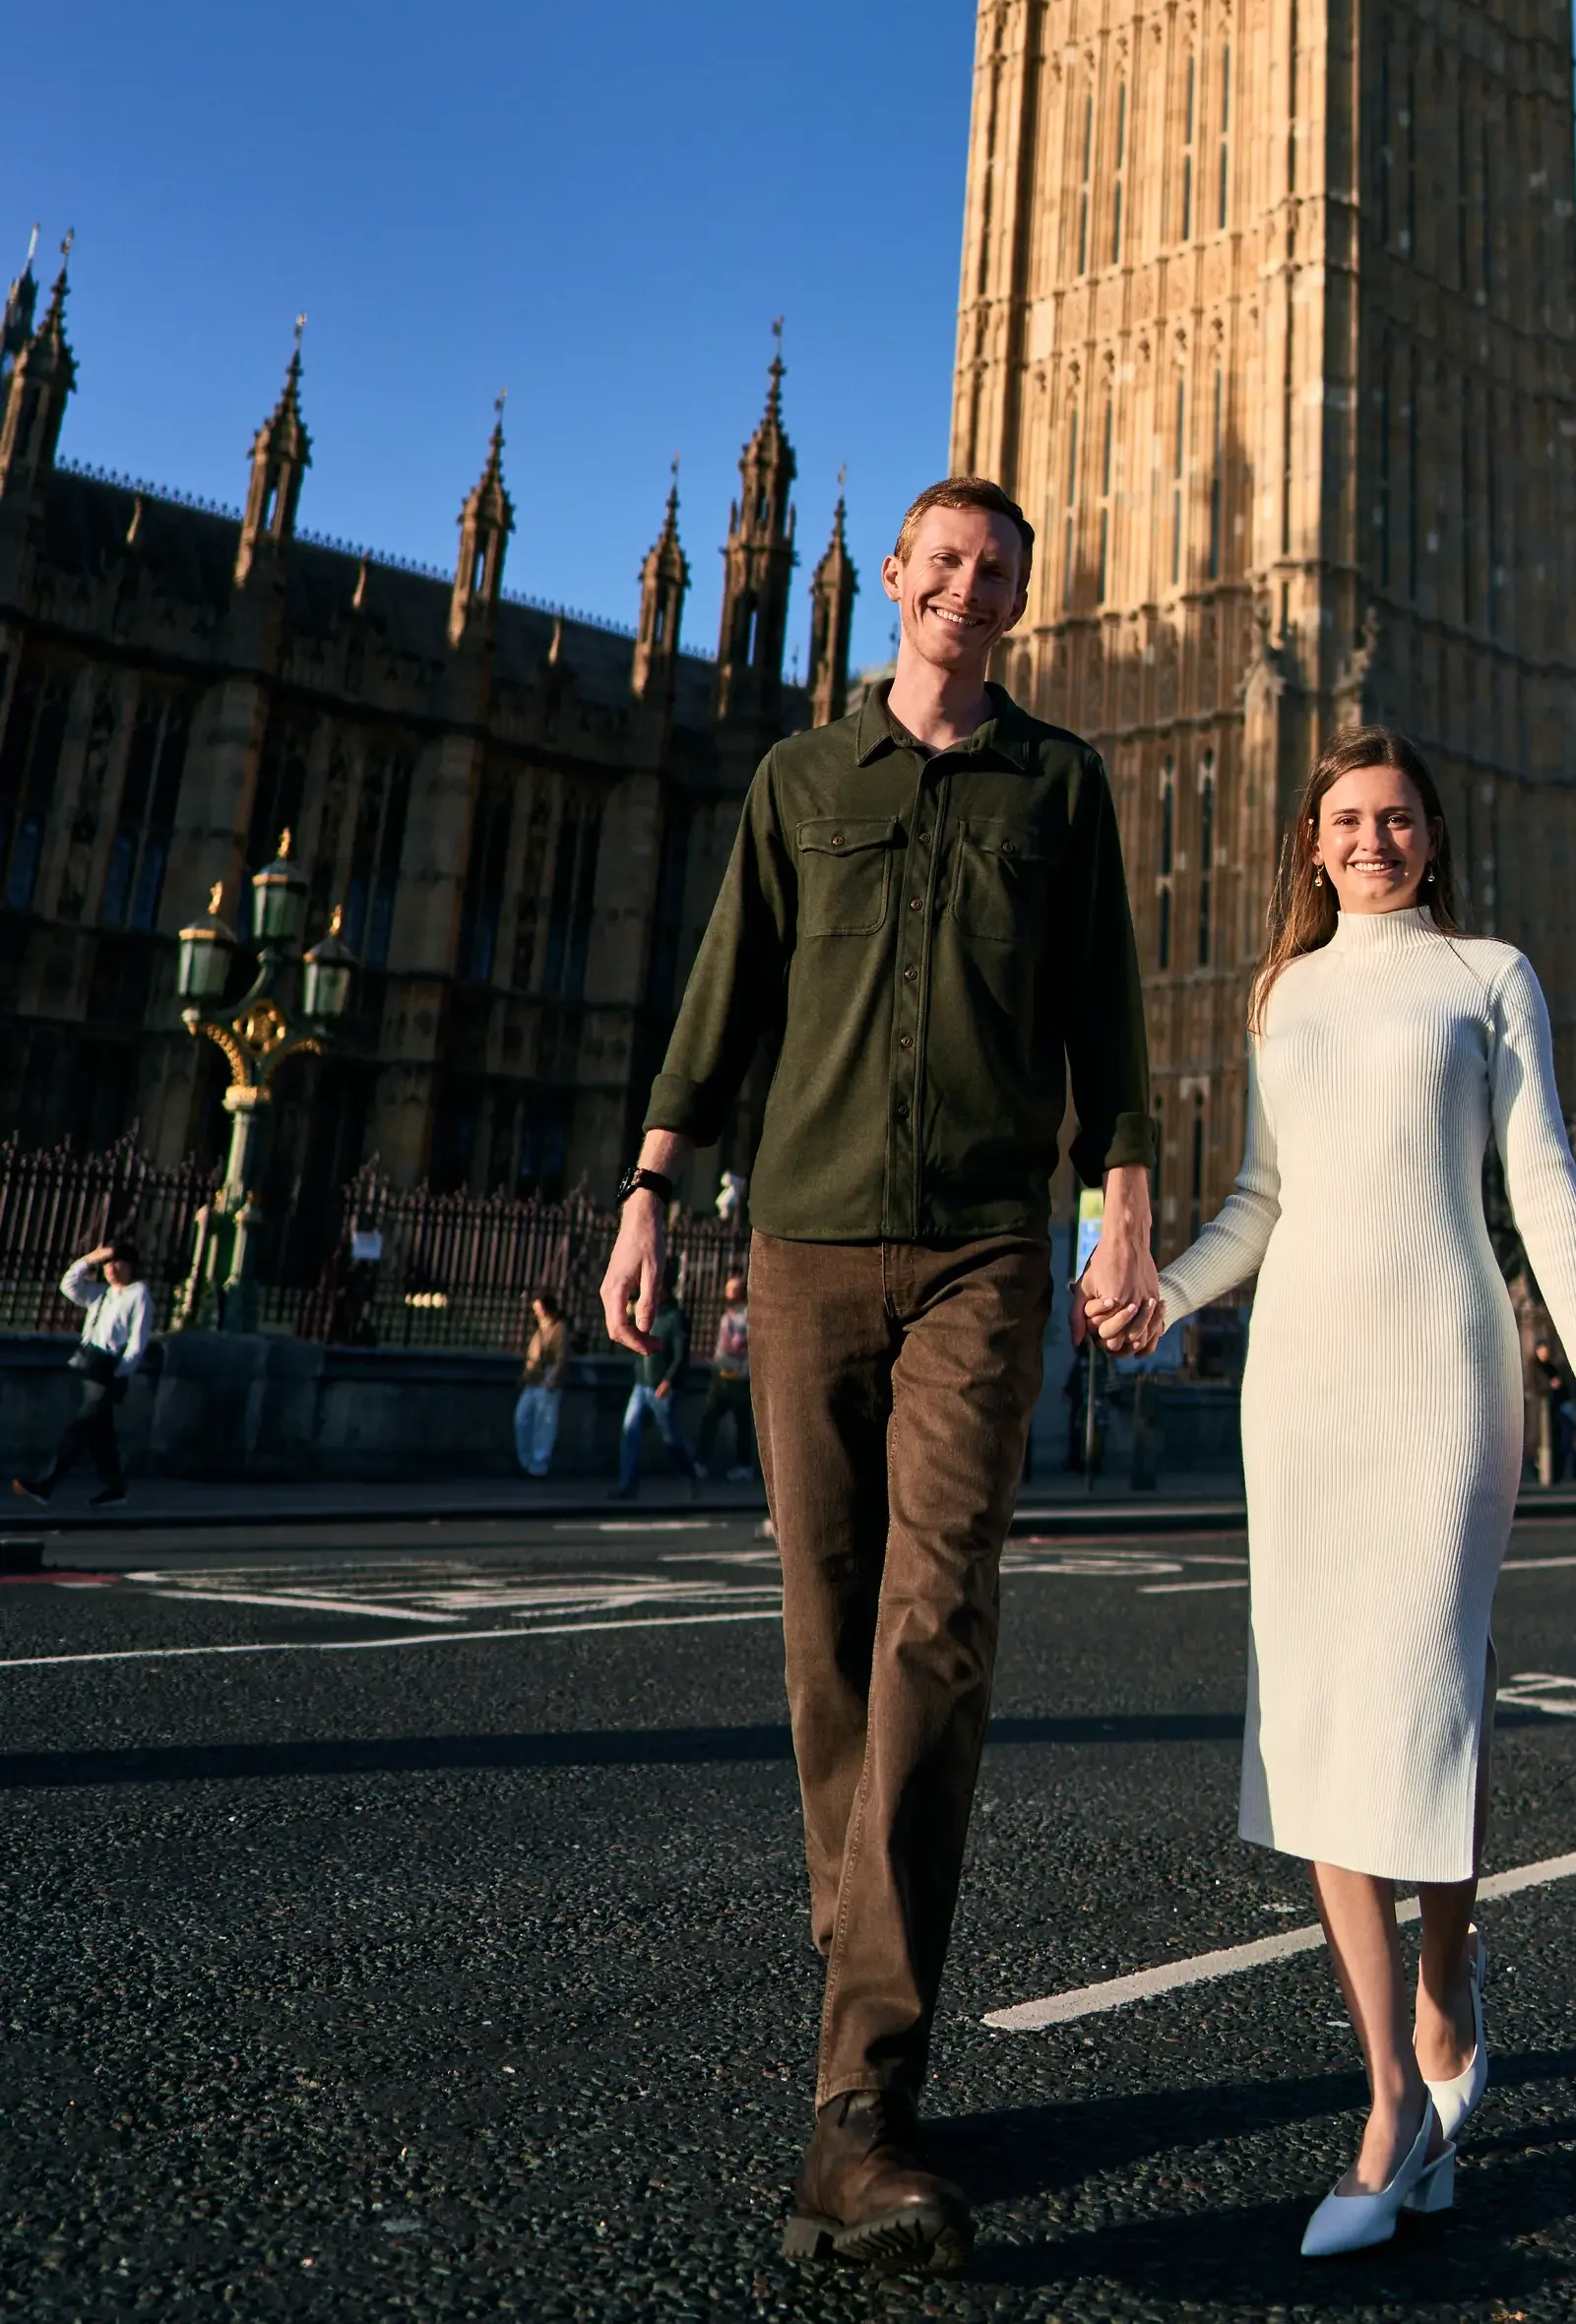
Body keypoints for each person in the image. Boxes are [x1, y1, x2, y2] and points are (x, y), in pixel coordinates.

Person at [599, 475, 1158, 2273]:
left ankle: (864, 2096)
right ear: (893, 586)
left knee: (936, 1621)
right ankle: (867, 1961)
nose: (968, 590)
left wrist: (1122, 1216)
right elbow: (720, 998)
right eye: (944, 565)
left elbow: (1111, 1024)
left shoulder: (1060, 787)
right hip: (812, 1235)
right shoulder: (797, 779)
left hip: (988, 1248)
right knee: (827, 1625)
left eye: (997, 570)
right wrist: (646, 1199)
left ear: (1016, 598)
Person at [1124, 729, 1576, 2258]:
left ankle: (1447, 1984)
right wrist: (1165, 1301)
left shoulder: (1490, 975)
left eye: (1396, 819)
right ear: (1310, 841)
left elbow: (1539, 1179)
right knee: (1322, 1721)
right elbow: (1263, 1201)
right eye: (1345, 819)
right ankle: (1394, 2109)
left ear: (1431, 841)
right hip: (1303, 1384)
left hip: (1448, 1368)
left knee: (1431, 1699)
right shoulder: (1281, 994)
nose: (1371, 840)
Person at [15, 1238, 153, 1509]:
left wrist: (120, 1372)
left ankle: (46, 1485)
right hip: (91, 1369)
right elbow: (69, 1285)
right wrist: (91, 1258)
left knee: (78, 1429)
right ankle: (115, 1489)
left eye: (117, 1262)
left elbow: (138, 1342)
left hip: (109, 1373)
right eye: (107, 1264)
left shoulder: (139, 1294)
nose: (111, 1268)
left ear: (129, 1265)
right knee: (101, 1434)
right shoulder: (101, 1293)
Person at [614, 1279, 700, 1500]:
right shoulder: (648, 1315)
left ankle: (689, 1474)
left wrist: (668, 1380)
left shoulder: (674, 1317)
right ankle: (627, 1485)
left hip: (661, 1387)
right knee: (630, 1432)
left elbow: (681, 1355)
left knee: (671, 1437)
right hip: (642, 1384)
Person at [696, 1273, 756, 1479]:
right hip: (721, 1375)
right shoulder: (727, 1315)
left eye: (732, 1291)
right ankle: (701, 1461)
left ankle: (743, 1465)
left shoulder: (747, 1316)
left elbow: (739, 1346)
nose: (727, 1295)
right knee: (709, 1419)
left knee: (742, 1423)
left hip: (739, 1377)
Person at [515, 1287, 568, 1476]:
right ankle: (527, 1460)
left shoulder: (558, 1328)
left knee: (544, 1423)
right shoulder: (541, 1327)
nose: (538, 1313)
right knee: (523, 1419)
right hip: (534, 1379)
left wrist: (551, 1380)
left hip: (546, 1379)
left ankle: (539, 1463)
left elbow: (560, 1358)